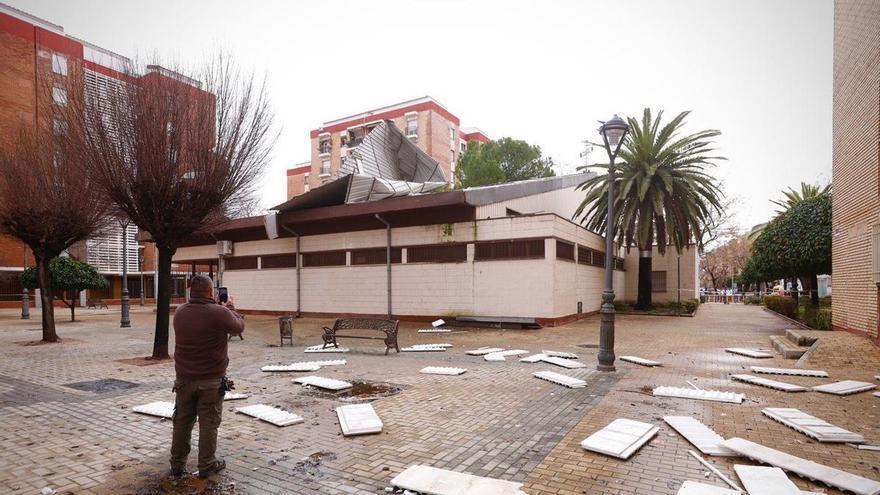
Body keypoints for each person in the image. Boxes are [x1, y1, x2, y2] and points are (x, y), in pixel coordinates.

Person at [169, 275, 244, 478]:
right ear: (211, 292)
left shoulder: (180, 311)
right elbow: (238, 327)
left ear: (190, 291)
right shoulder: (219, 312)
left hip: (184, 380)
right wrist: (230, 307)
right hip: (211, 381)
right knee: (209, 424)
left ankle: (177, 464)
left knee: (182, 422)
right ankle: (207, 465)